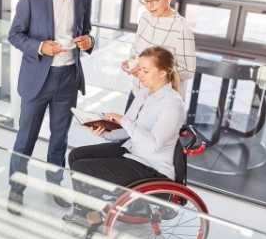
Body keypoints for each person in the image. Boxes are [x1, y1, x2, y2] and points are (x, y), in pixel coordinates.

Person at [7, 0, 95, 215]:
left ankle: (54, 187)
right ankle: (16, 189)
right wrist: (40, 46)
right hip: (38, 80)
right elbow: (15, 35)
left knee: (59, 140)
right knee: (26, 139)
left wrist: (89, 42)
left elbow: (89, 32)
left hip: (68, 78)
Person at [63, 46, 185, 223]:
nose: (139, 74)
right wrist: (104, 132)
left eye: (145, 70)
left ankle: (88, 212)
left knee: (84, 168)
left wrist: (124, 121)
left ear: (163, 72)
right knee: (75, 155)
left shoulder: (172, 104)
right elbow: (128, 130)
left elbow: (152, 144)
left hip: (151, 166)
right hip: (132, 152)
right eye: (139, 69)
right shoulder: (145, 93)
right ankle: (86, 209)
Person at [123, 0, 195, 98]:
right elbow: (136, 52)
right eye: (146, 1)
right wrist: (131, 63)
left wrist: (155, 72)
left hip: (161, 101)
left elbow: (188, 71)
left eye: (154, 0)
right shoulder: (145, 17)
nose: (149, 6)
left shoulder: (181, 27)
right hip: (137, 93)